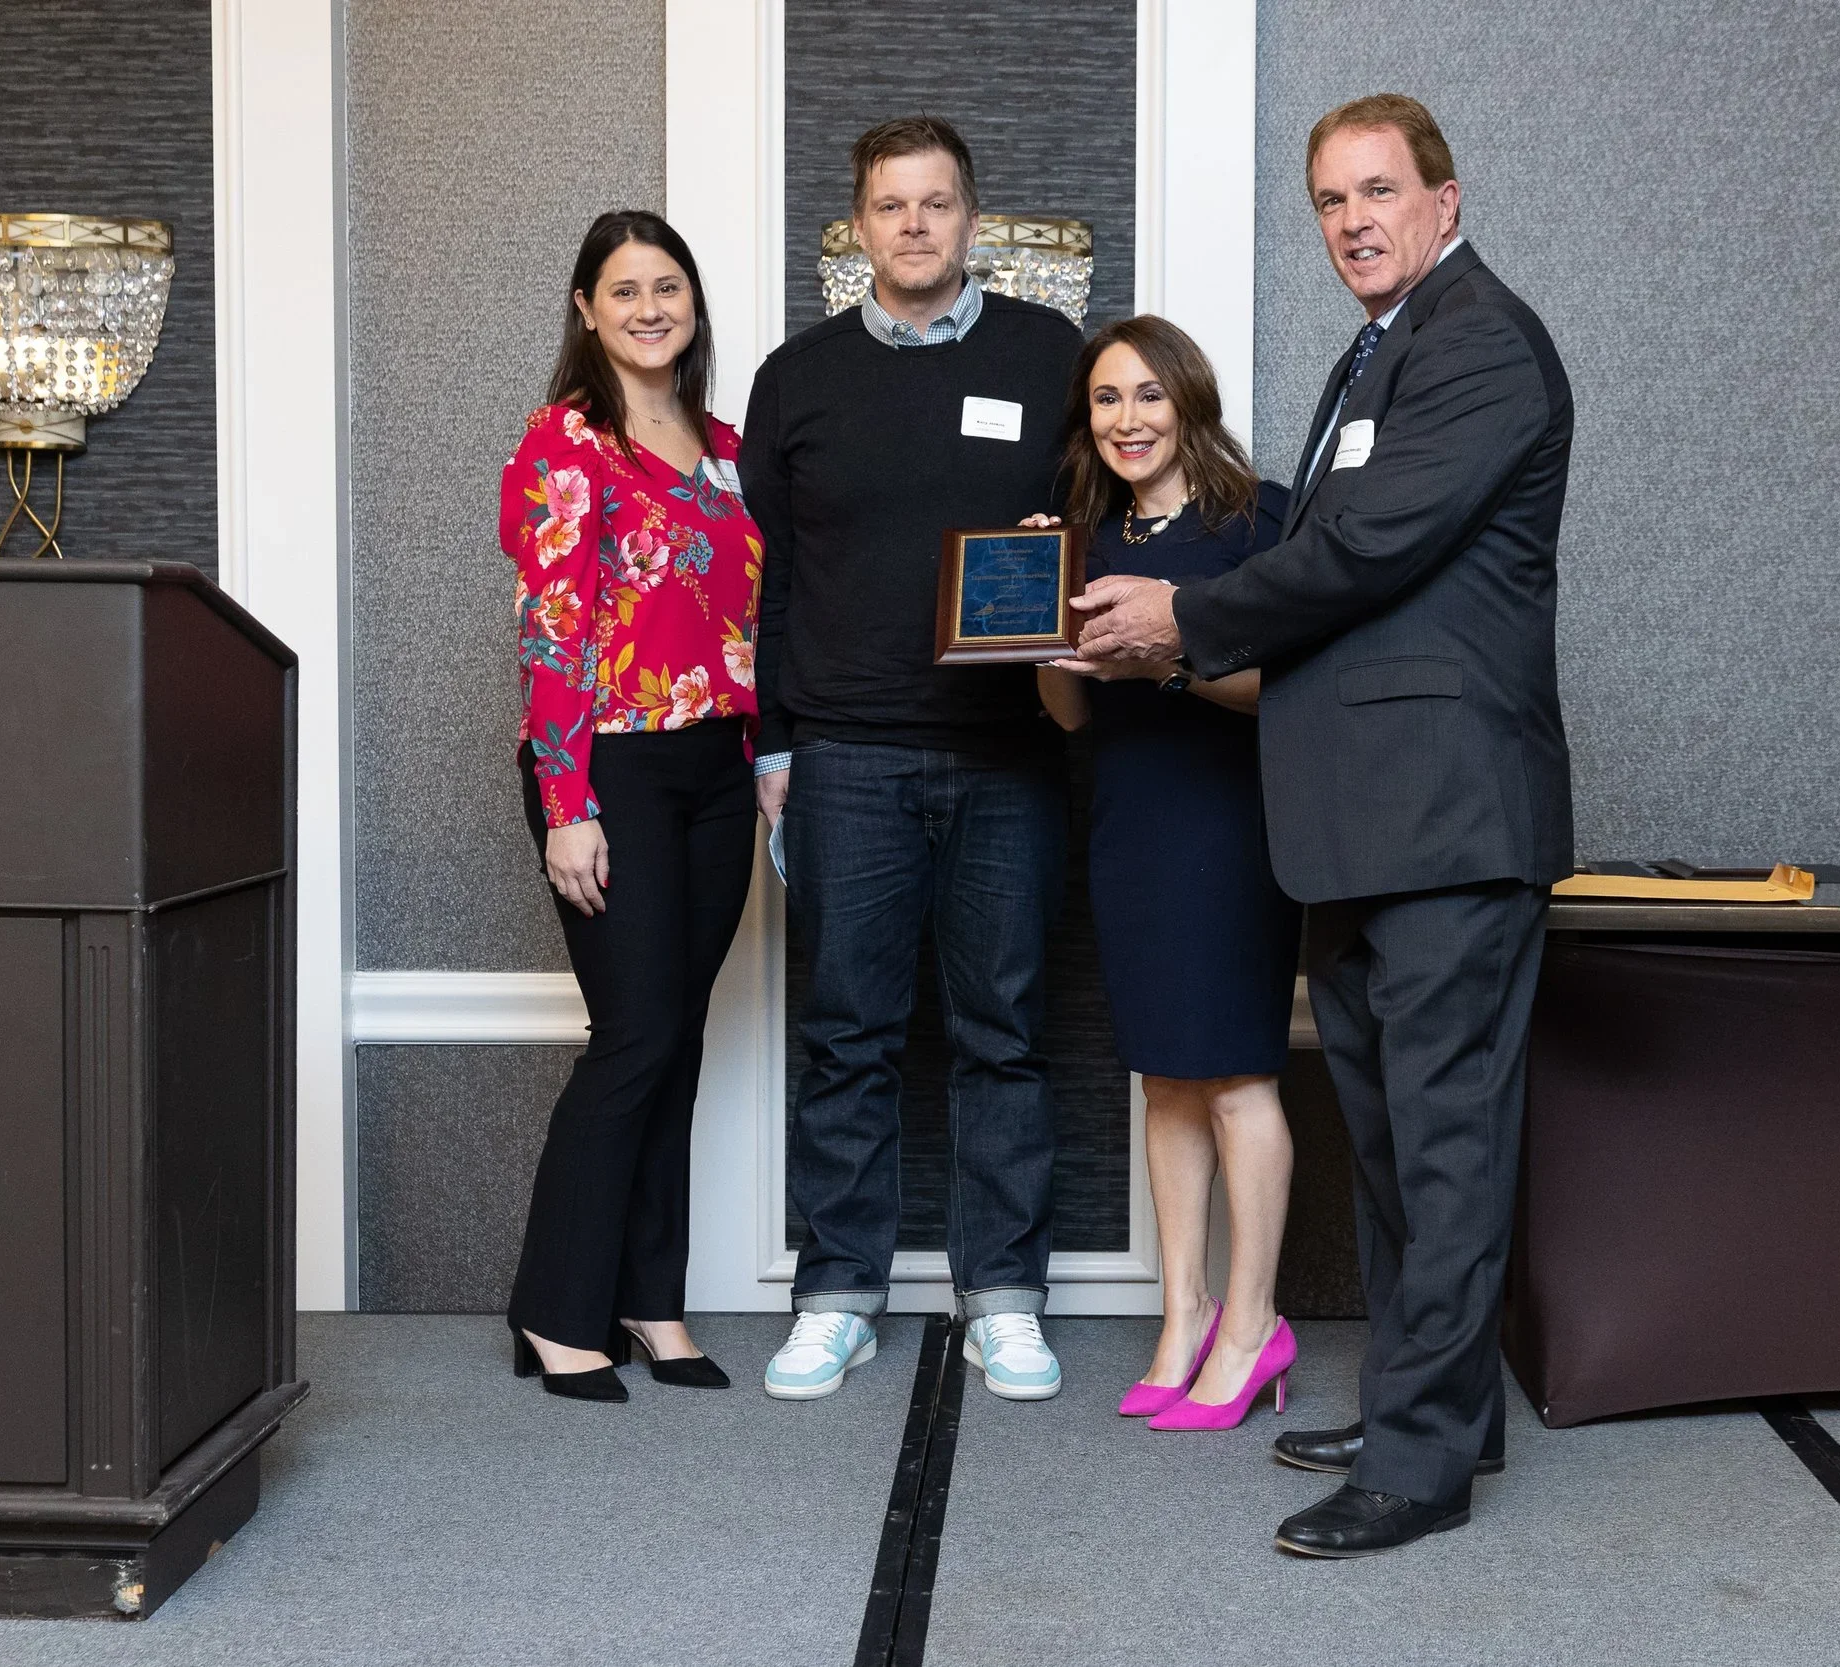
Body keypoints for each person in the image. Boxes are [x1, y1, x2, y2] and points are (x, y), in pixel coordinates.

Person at [1073, 94, 1575, 1555]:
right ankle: (1443, 1404)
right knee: (1394, 1136)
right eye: (1328, 201)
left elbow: (1362, 547)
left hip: (1448, 819)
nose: (1353, 220)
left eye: (1376, 191)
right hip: (1360, 823)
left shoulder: (1480, 342)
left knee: (1446, 1144)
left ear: (1443, 197)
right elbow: (1332, 554)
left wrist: (1185, 618)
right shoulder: (1384, 349)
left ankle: (1418, 1464)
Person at [744, 116, 1084, 1401]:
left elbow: (1105, 530)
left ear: (971, 218)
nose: (915, 227)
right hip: (845, 754)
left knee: (1003, 1032)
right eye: (890, 206)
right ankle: (839, 1290)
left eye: (936, 205)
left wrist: (1070, 552)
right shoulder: (800, 375)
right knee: (849, 1036)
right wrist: (773, 746)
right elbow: (767, 584)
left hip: (1010, 758)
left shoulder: (1049, 356)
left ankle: (1003, 1292)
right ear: (858, 225)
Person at [498, 211, 765, 1402]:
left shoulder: (728, 447)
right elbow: (553, 630)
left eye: (669, 285)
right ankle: (558, 1310)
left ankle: (652, 1299)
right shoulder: (568, 443)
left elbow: (758, 616)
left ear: (693, 305)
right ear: (584, 309)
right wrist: (568, 803)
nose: (650, 306)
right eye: (625, 289)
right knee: (637, 1034)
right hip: (610, 769)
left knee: (678, 1038)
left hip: (718, 770)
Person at [1030, 318, 1300, 1431]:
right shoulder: (1079, 538)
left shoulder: (1258, 521)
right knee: (1164, 1079)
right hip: (1128, 818)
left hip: (1231, 819)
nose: (1127, 420)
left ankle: (1253, 1324)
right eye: (1105, 400)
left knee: (1236, 1075)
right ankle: (1180, 1314)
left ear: (1188, 399)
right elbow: (1071, 711)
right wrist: (1043, 641)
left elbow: (1286, 684)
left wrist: (1171, 660)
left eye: (1147, 395)